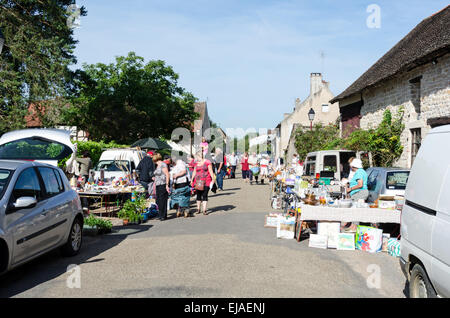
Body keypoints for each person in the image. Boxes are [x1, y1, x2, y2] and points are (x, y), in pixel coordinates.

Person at [343, 158, 369, 232]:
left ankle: (355, 228)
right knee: (355, 209)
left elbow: (360, 184)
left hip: (360, 193)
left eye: (351, 166)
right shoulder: (360, 171)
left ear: (353, 166)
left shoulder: (359, 172)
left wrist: (350, 189)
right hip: (358, 193)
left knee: (356, 210)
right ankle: (353, 226)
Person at [153, 153, 171, 221]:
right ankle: (160, 214)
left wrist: (167, 184)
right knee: (159, 200)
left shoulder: (163, 165)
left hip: (163, 184)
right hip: (158, 184)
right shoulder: (157, 165)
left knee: (163, 200)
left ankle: (163, 215)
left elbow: (167, 174)